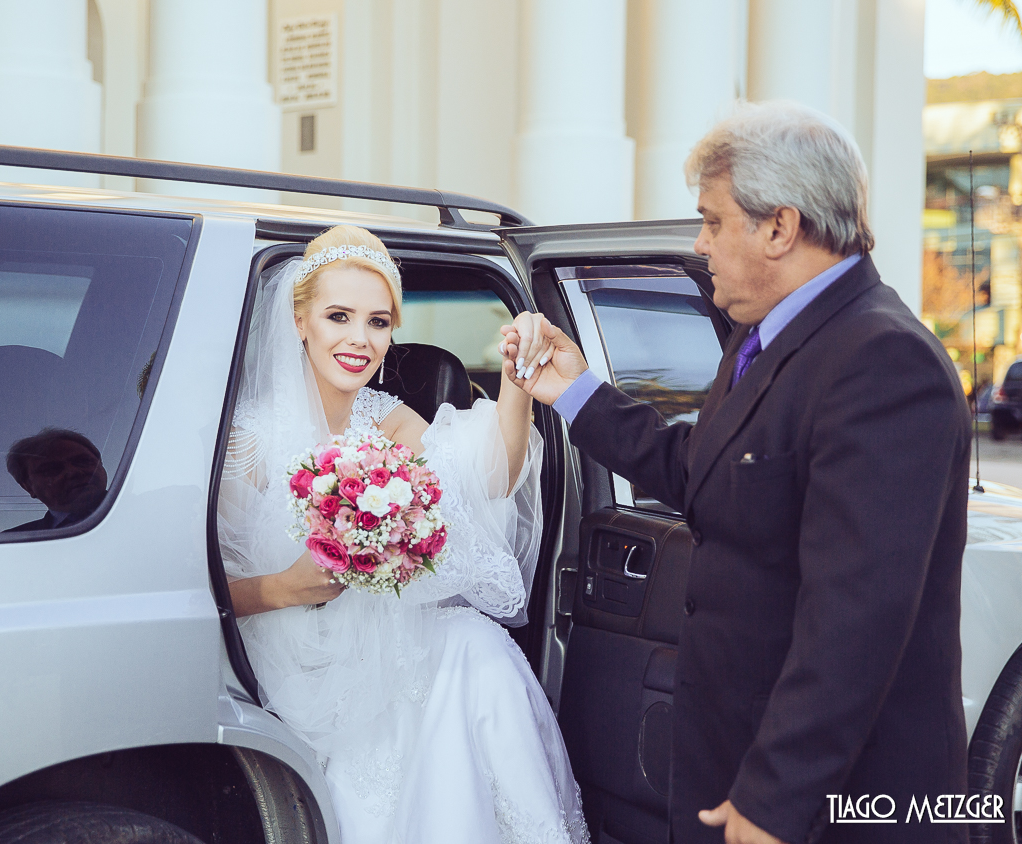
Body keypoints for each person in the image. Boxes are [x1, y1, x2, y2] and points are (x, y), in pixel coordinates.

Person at [502, 102, 970, 844]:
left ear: (779, 227)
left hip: (830, 806)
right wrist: (574, 390)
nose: (700, 243)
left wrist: (772, 803)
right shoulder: (764, 339)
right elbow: (701, 472)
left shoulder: (884, 361)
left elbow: (854, 620)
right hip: (734, 769)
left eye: (714, 221)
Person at [216, 225, 587, 844]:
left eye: (379, 322)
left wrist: (515, 389)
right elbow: (198, 591)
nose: (360, 340)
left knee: (479, 646)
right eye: (339, 317)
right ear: (300, 322)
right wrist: (286, 587)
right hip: (291, 659)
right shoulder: (247, 442)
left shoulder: (385, 419)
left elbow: (486, 479)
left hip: (383, 634)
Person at [5, 428, 108, 531]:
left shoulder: (124, 515)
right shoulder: (11, 541)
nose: (73, 472)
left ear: (101, 465)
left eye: (83, 461)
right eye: (52, 469)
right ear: (28, 487)